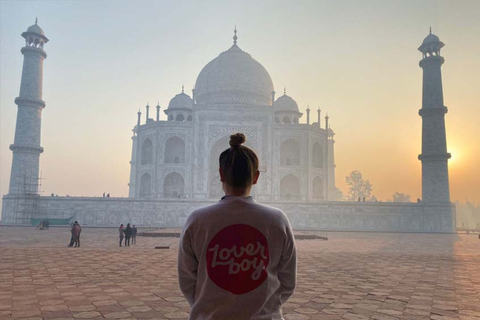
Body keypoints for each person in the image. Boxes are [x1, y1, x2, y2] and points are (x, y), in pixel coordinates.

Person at [178, 133, 297, 320]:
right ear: (256, 177)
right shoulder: (277, 219)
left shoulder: (198, 219)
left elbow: (187, 281)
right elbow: (288, 282)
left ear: (220, 174)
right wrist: (264, 308)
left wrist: (210, 308)